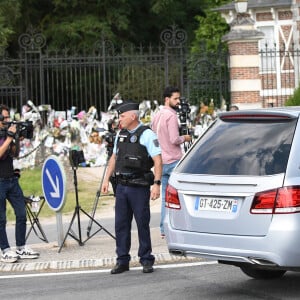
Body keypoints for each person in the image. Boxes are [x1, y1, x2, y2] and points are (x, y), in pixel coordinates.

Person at [101, 101, 162, 274]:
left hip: (139, 186)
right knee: (121, 225)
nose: (119, 119)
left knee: (142, 223)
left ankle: (146, 259)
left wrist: (156, 184)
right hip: (121, 186)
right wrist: (106, 179)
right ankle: (122, 260)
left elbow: (158, 161)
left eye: (122, 116)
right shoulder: (121, 134)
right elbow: (114, 157)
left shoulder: (147, 135)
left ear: (133, 116)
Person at [0, 104, 39, 263]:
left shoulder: (7, 133)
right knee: (1, 218)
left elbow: (14, 155)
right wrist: (9, 138)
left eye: (9, 117)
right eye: (5, 118)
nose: (8, 120)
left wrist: (17, 139)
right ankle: (5, 250)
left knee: (21, 213)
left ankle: (21, 247)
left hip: (11, 179)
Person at [151, 86, 192, 238]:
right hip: (174, 160)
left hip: (161, 161)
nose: (178, 102)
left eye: (178, 99)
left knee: (164, 198)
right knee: (179, 196)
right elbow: (174, 139)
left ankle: (163, 229)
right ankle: (180, 227)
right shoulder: (171, 116)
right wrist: (186, 138)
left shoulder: (157, 115)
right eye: (175, 99)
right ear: (167, 99)